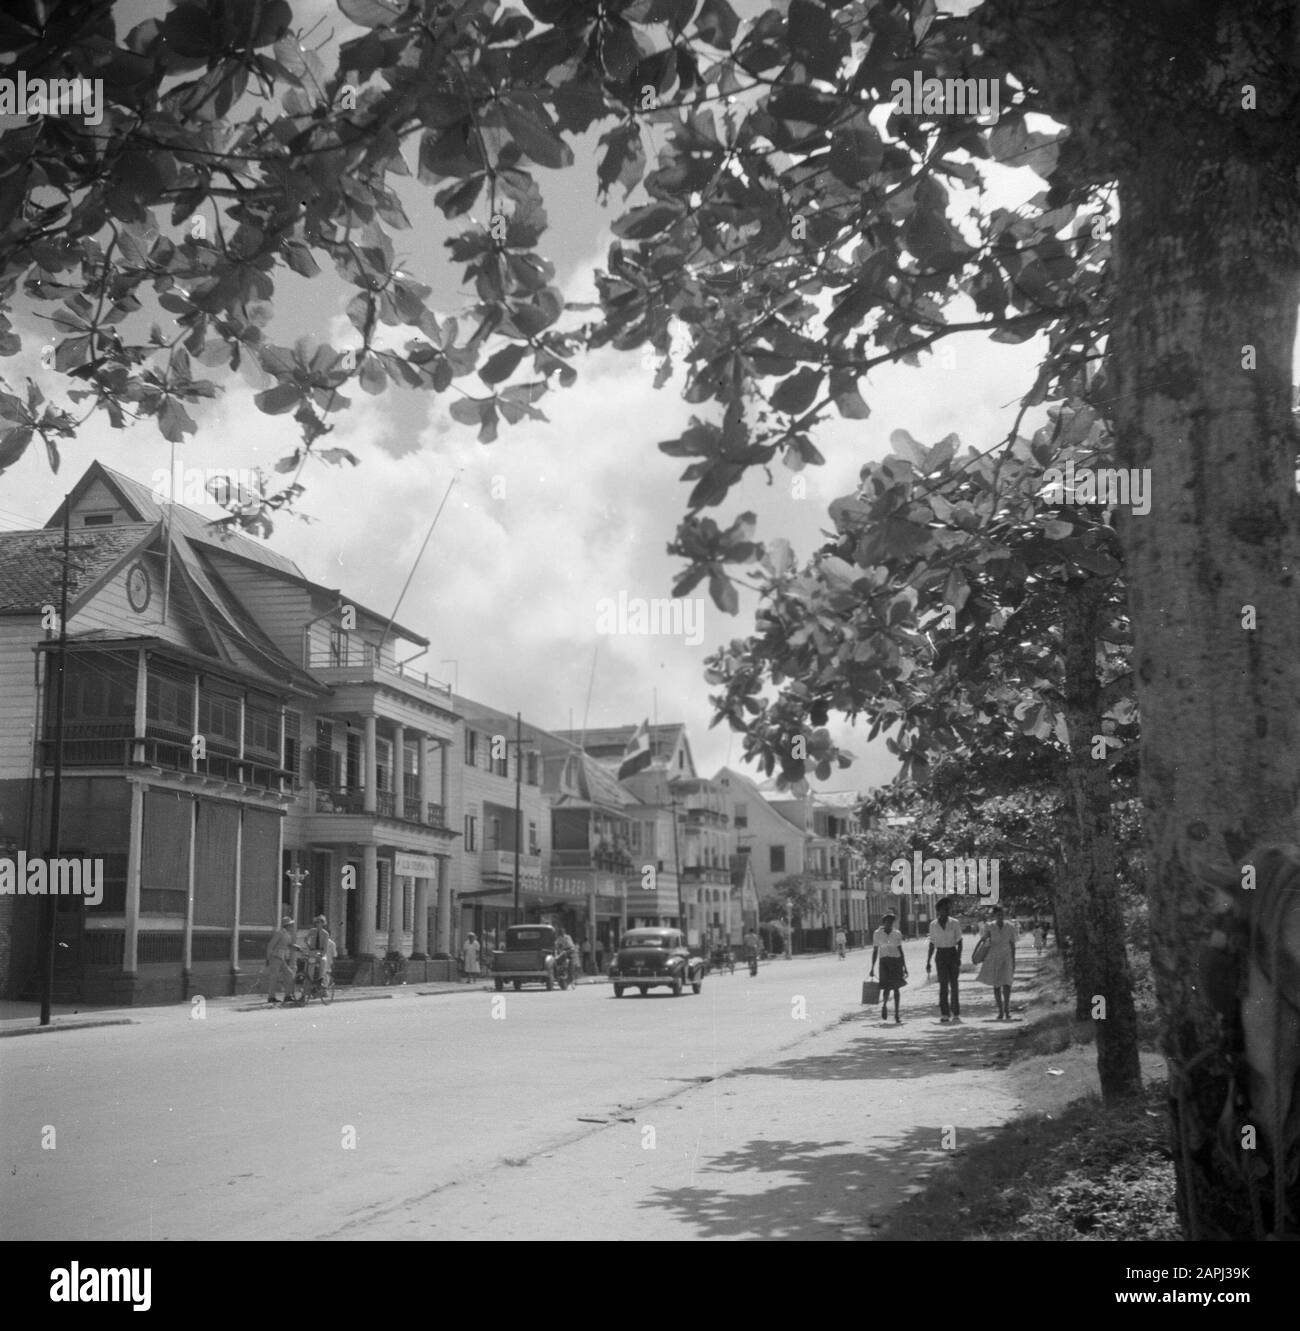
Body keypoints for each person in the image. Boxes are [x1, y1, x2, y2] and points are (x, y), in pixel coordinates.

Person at [926, 897, 964, 1024]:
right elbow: (932, 944)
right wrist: (928, 961)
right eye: (944, 909)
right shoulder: (933, 925)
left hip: (952, 953)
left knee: (954, 984)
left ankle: (956, 1012)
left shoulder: (955, 923)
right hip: (940, 955)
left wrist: (958, 958)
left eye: (948, 908)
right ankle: (945, 1013)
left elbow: (960, 942)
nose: (947, 911)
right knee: (943, 985)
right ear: (939, 910)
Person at [977, 906, 1018, 1019]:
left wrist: (1013, 960)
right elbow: (984, 941)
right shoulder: (989, 926)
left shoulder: (1010, 926)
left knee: (1007, 983)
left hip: (1007, 957)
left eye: (1002, 914)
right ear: (994, 916)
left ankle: (1007, 1009)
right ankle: (1000, 1010)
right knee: (996, 985)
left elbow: (1012, 944)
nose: (1000, 916)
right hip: (994, 957)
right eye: (998, 915)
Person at [870, 913, 908, 1023]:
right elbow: (875, 950)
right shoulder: (877, 934)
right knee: (886, 987)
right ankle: (884, 1005)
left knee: (896, 988)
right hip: (884, 962)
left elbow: (900, 950)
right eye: (887, 921)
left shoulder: (897, 933)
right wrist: (872, 967)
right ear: (883, 922)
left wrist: (904, 966)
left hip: (896, 962)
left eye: (891, 922)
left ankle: (897, 1014)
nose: (889, 923)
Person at [265, 915, 298, 1005]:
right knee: (274, 977)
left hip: (281, 957)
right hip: (275, 957)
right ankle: (271, 997)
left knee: (289, 974)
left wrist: (297, 948)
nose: (291, 926)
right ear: (287, 925)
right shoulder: (280, 933)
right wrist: (268, 958)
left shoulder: (287, 934)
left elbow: (289, 945)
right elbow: (270, 945)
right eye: (290, 924)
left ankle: (288, 995)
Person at [304, 915, 335, 983]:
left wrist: (322, 954)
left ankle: (320, 979)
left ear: (323, 923)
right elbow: (306, 939)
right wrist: (309, 946)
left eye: (320, 922)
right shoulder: (312, 931)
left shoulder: (325, 934)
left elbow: (325, 946)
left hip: (321, 951)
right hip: (313, 951)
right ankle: (310, 979)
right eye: (317, 922)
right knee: (311, 964)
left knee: (323, 962)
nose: (318, 924)